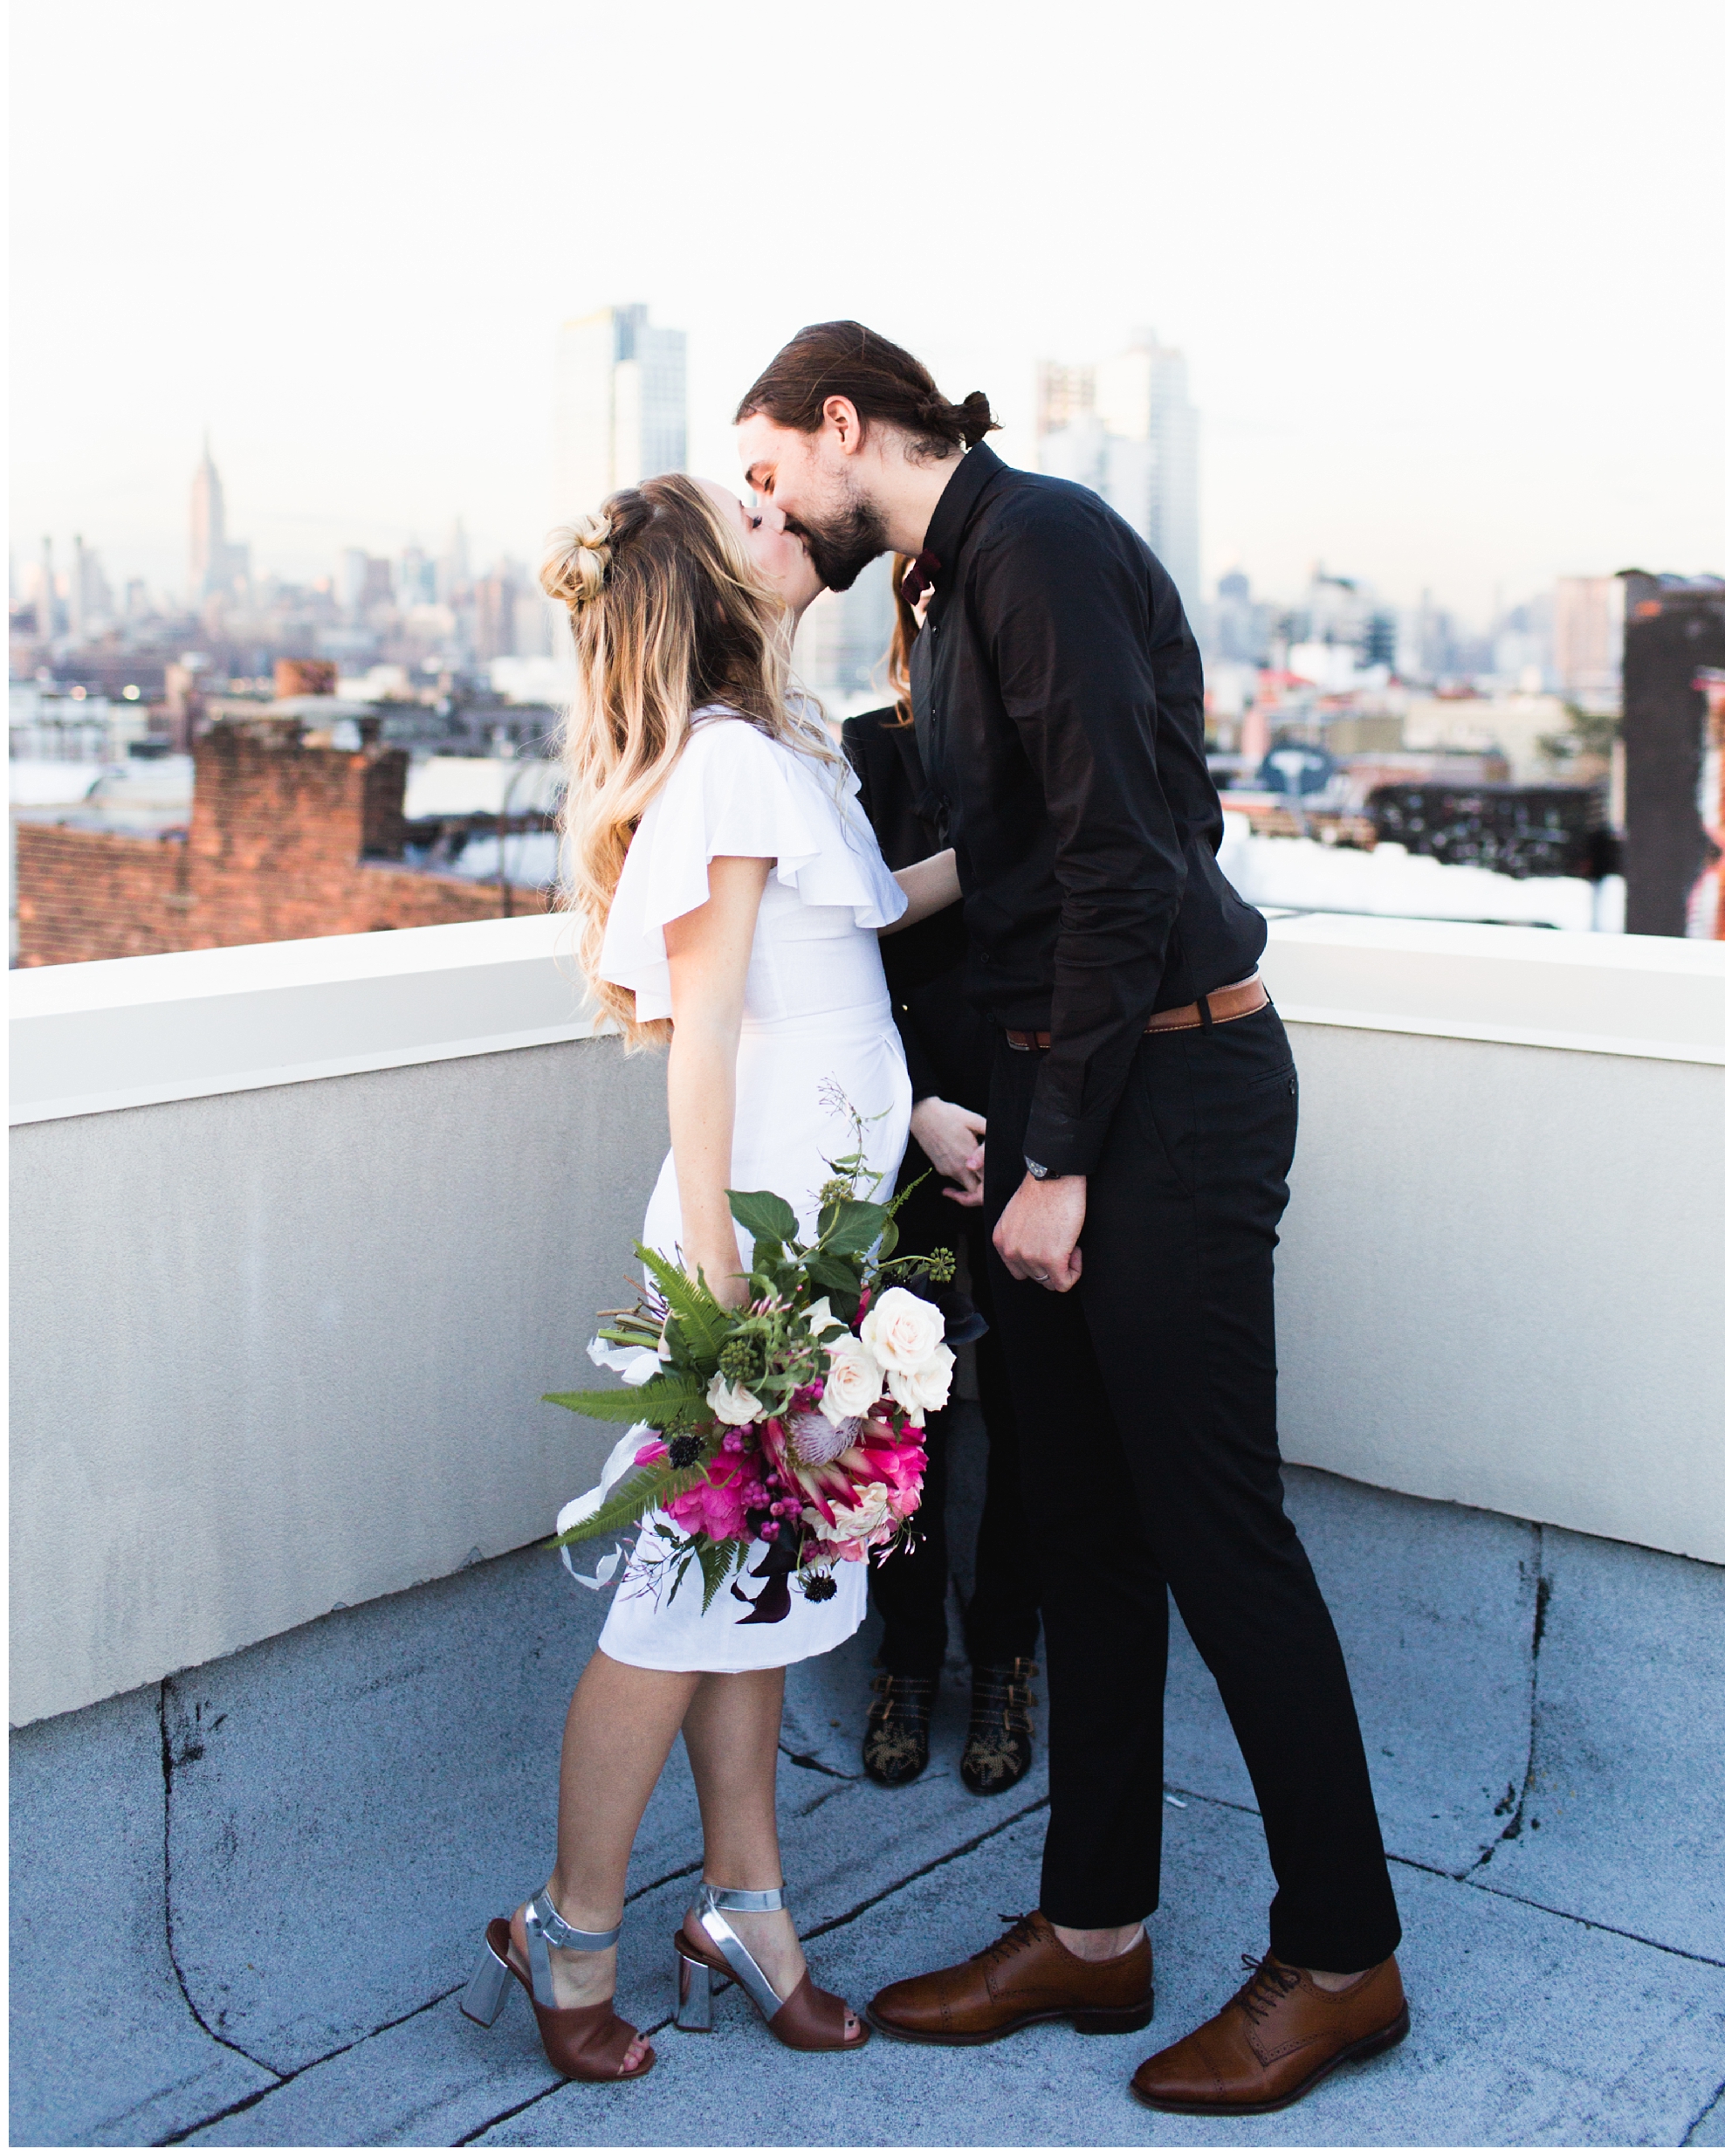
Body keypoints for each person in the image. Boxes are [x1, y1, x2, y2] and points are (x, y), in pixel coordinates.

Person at [736, 327, 1409, 2119]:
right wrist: (829, 923)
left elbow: (1126, 855)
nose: (765, 510)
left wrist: (1058, 1162)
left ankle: (1343, 1957)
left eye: (768, 477)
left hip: (1165, 1100)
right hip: (1074, 1100)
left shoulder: (1030, 545)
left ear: (838, 423)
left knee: (1216, 1538)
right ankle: (1094, 1931)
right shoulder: (943, 590)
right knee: (1090, 1537)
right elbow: (1024, 862)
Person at [462, 472, 960, 2084]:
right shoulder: (729, 771)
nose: (782, 519)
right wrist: (741, 1314)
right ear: (704, 593)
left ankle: (748, 1912)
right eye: (745, 521)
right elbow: (701, 1056)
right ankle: (571, 1927)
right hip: (743, 1274)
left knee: (760, 1602)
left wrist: (920, 1105)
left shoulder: (784, 758)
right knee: (669, 1616)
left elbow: (862, 951)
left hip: (819, 1251)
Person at [841, 558, 1042, 1794]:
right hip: (906, 1129)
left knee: (1024, 1414)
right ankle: (904, 1662)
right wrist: (915, 1109)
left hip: (1029, 1138)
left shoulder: (1048, 761)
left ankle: (1007, 1662)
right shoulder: (868, 756)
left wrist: (1019, 1134)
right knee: (899, 1410)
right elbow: (839, 952)